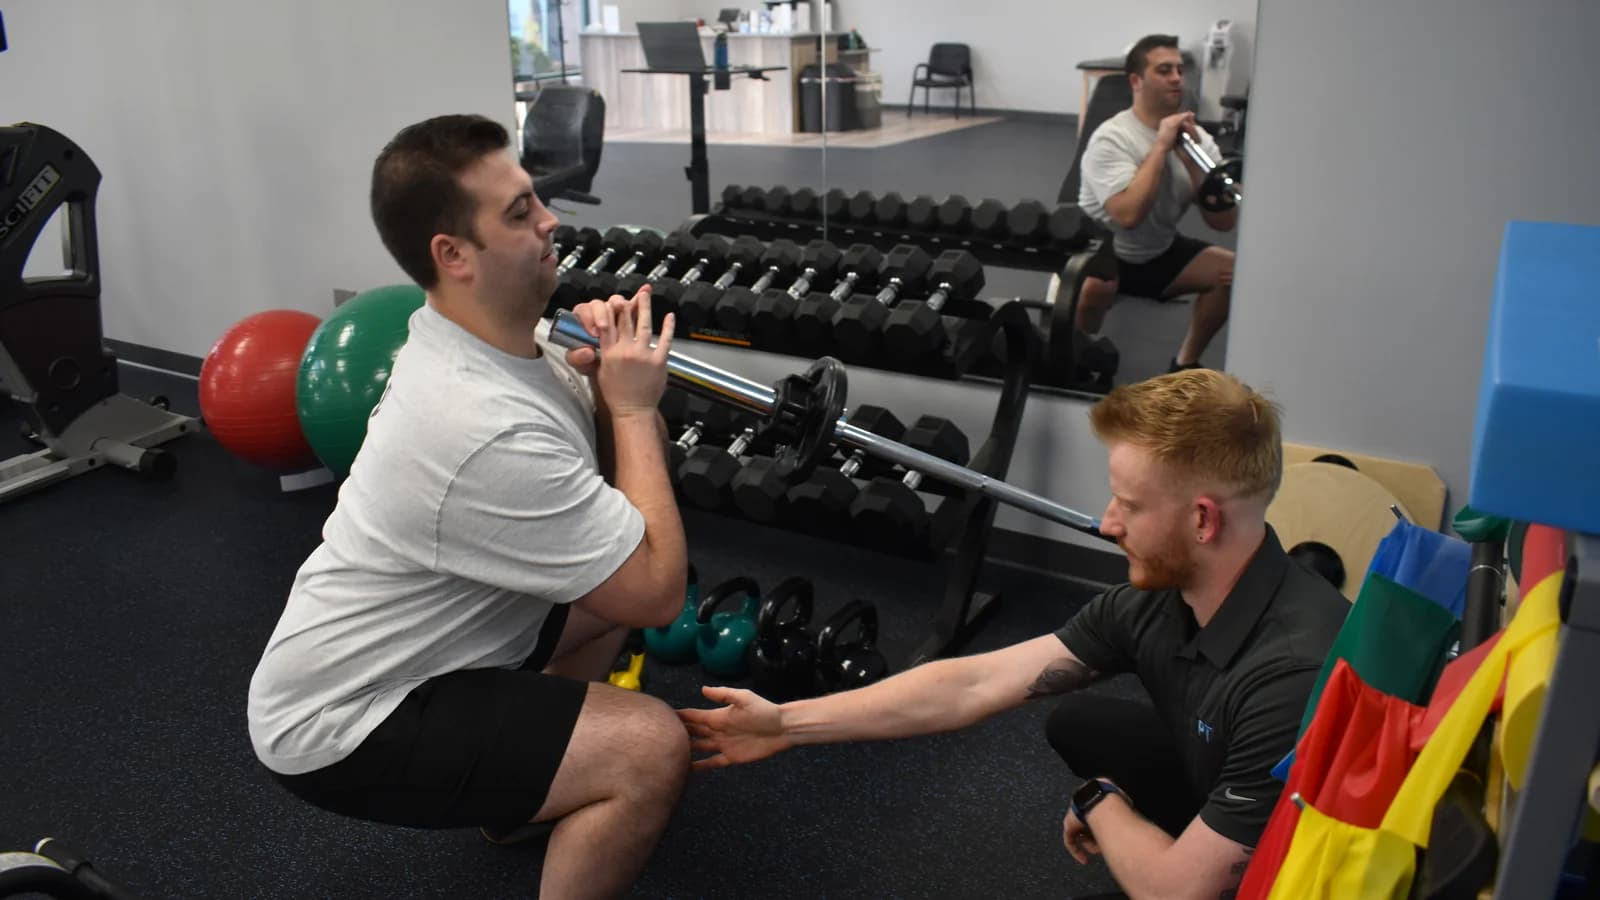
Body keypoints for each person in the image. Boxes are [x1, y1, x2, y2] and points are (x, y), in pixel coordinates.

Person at [679, 370, 1349, 900]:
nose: (1108, 523)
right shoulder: (1161, 599)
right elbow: (978, 681)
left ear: (1203, 522)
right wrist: (787, 725)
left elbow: (1177, 891)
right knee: (1081, 722)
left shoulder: (1290, 677)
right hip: (1231, 765)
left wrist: (1101, 801)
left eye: (1131, 506)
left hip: (1305, 869)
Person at [246, 114, 689, 900]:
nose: (551, 220)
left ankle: (519, 798)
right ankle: (567, 777)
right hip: (342, 722)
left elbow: (612, 540)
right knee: (651, 746)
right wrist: (628, 410)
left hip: (429, 652)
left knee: (603, 598)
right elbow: (658, 590)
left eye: (535, 199)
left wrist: (603, 386)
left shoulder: (506, 345)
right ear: (452, 256)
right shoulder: (472, 422)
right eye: (519, 213)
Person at [1076, 34, 1241, 374]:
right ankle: (1079, 358)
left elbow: (1224, 222)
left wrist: (1191, 159)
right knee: (1094, 286)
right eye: (1164, 70)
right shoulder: (1112, 137)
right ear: (1136, 81)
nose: (1177, 78)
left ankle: (1184, 363)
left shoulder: (1199, 140)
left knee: (1233, 273)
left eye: (1179, 70)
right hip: (1102, 251)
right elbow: (1127, 215)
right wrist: (1161, 147)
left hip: (1158, 250)